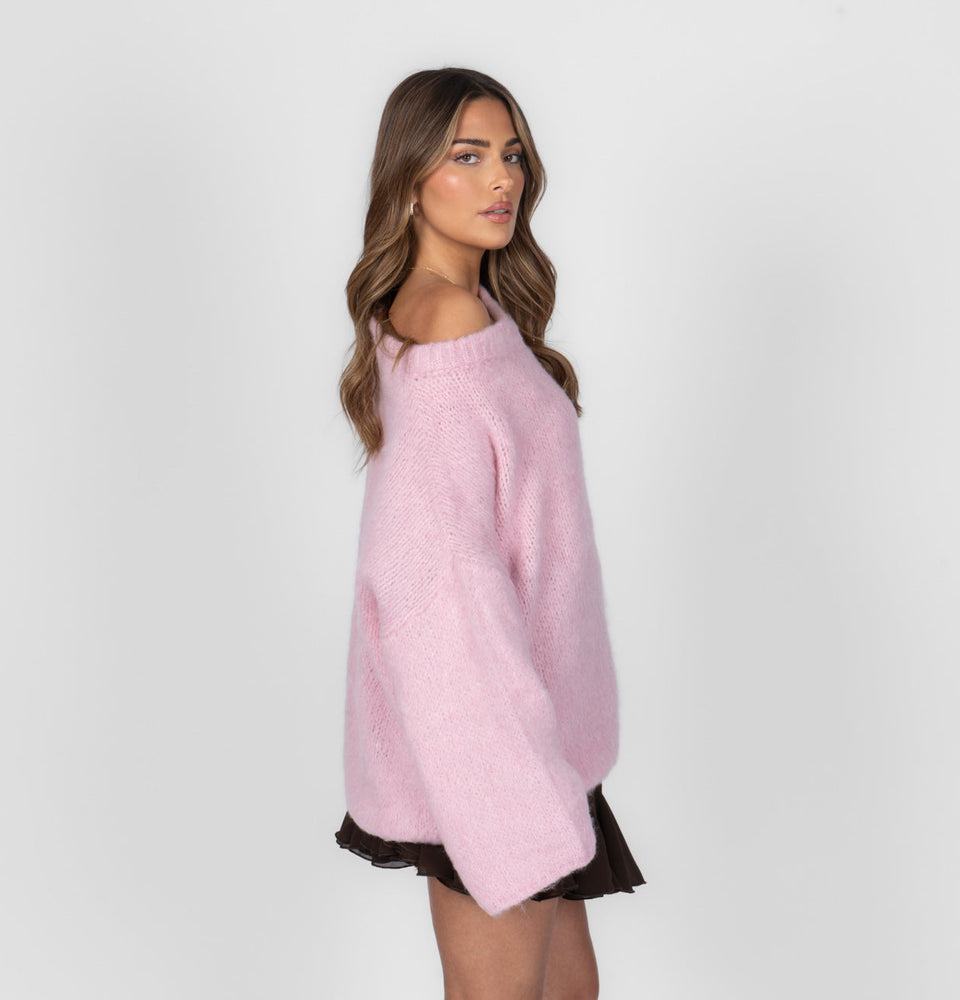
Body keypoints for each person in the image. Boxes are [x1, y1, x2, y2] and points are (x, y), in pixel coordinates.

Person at [335, 67, 645, 1000]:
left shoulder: (471, 313)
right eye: (467, 157)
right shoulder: (450, 326)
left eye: (509, 155)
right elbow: (434, 589)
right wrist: (511, 789)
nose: (501, 177)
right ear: (409, 179)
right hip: (495, 760)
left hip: (533, 740)